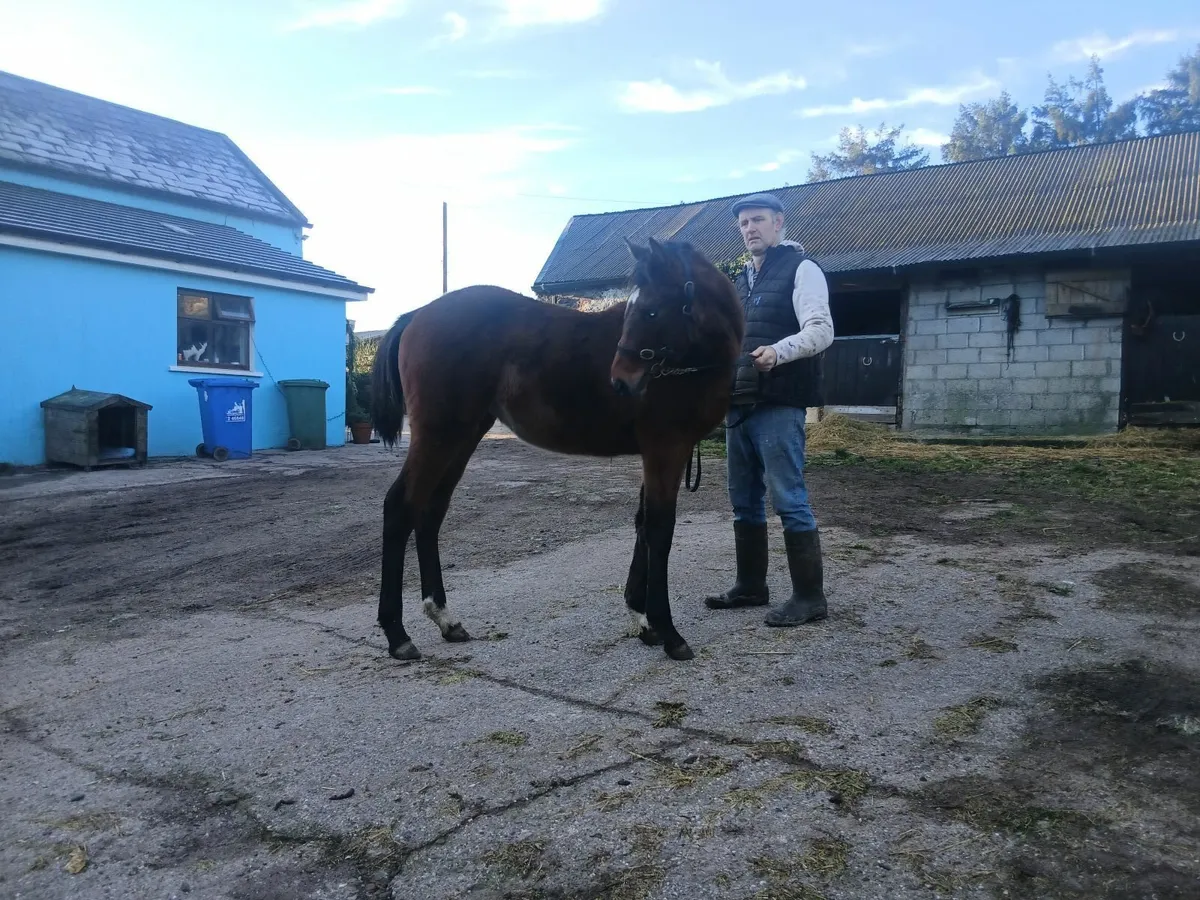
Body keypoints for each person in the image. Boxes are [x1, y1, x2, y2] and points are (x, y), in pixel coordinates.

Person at [704, 192, 835, 627]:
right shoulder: (743, 281)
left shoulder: (802, 269)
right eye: (743, 223)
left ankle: (810, 597)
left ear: (779, 223)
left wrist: (779, 352)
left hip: (779, 403)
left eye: (758, 220)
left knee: (789, 499)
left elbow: (821, 330)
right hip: (739, 406)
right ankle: (751, 586)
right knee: (743, 501)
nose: (749, 229)